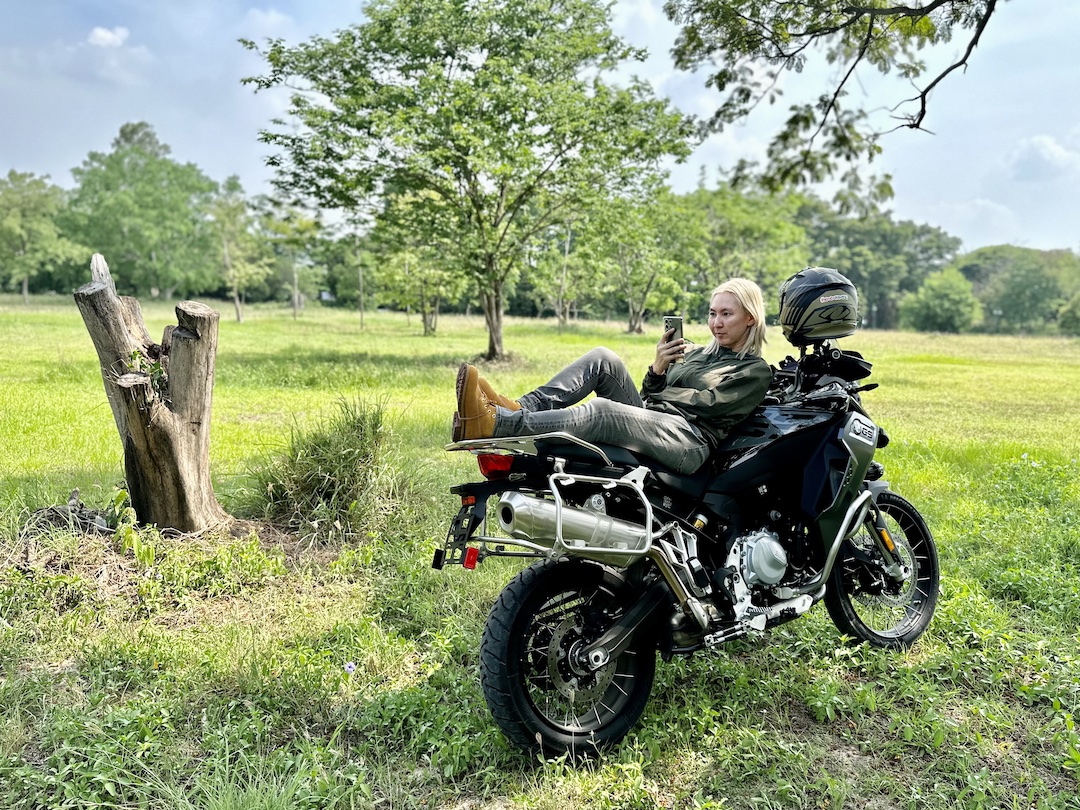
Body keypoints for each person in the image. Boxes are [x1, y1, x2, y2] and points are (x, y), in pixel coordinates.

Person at [452, 278, 773, 474]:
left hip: (688, 440)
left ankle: (497, 424)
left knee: (603, 412)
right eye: (713, 313)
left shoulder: (753, 370)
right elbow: (655, 389)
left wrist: (658, 395)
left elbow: (709, 405)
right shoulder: (697, 351)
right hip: (655, 417)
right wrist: (658, 369)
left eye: (726, 314)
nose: (716, 322)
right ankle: (515, 408)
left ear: (750, 318)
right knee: (602, 358)